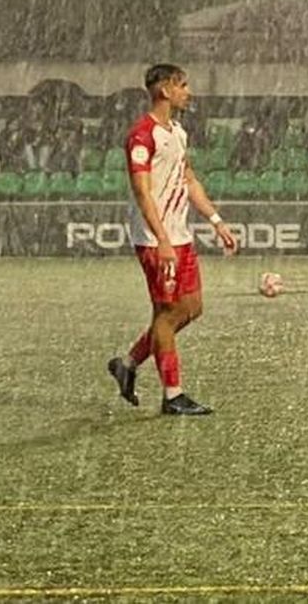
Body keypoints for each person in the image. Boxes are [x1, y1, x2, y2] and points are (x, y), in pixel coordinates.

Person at [107, 63, 238, 416]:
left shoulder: (177, 132)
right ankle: (173, 395)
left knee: (192, 308)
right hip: (155, 239)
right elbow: (142, 193)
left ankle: (129, 363)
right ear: (164, 90)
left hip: (180, 235)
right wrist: (162, 239)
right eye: (183, 85)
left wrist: (216, 221)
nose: (188, 92)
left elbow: (189, 179)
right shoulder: (142, 135)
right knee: (166, 313)